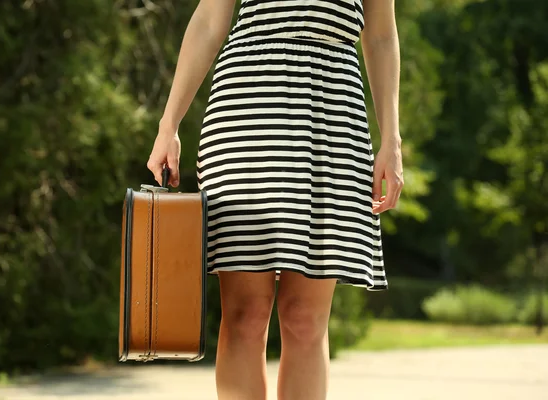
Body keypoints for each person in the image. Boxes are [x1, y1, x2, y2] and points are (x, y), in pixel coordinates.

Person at [147, 0, 403, 399]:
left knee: (306, 319)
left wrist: (392, 139)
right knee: (245, 315)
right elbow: (208, 21)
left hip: (333, 115)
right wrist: (169, 126)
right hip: (248, 108)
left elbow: (383, 34)